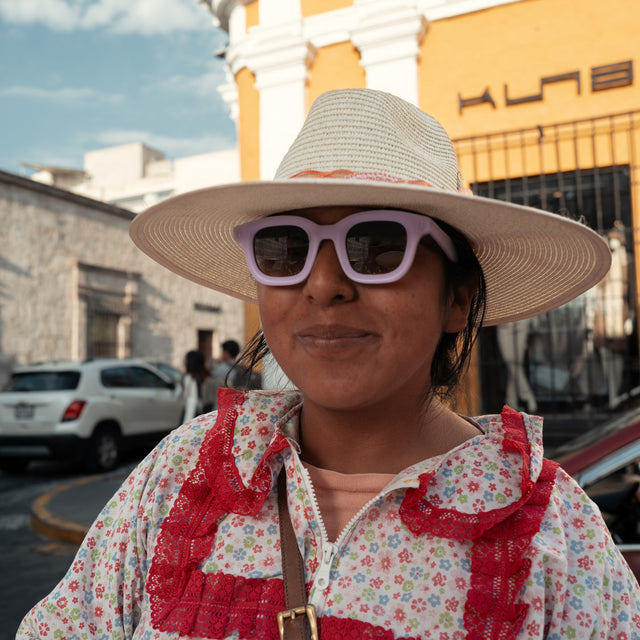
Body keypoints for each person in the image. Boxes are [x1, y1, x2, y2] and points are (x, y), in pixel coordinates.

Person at [17, 89, 640, 639]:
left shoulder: (550, 534)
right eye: (284, 247)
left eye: (376, 246)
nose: (323, 285)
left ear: (457, 298)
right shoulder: (185, 474)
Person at [182, 349, 221, 420]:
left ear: (190, 362)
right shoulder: (207, 376)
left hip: (194, 415)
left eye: (186, 359)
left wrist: (187, 422)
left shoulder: (190, 378)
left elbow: (191, 402)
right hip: (207, 414)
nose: (184, 361)